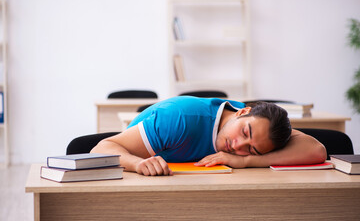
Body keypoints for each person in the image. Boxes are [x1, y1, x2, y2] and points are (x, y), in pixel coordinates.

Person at [91, 96, 327, 176]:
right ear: (243, 111)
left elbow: (315, 150)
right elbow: (101, 148)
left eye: (252, 148)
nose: (238, 146)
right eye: (245, 132)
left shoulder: (261, 128)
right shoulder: (180, 120)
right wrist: (139, 162)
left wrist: (246, 161)